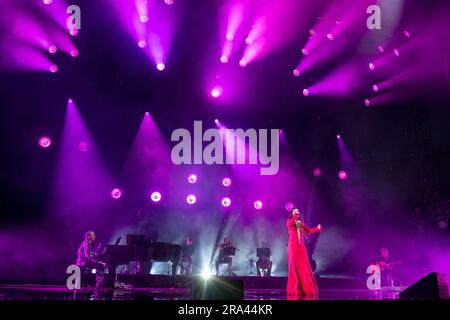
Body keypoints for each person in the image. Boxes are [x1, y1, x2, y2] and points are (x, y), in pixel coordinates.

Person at [286, 208, 322, 300]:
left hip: (301, 247)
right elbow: (289, 225)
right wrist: (294, 216)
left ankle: (305, 289)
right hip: (293, 246)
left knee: (304, 266)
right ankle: (294, 289)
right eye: (295, 211)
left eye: (298, 211)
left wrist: (317, 229)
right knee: (293, 267)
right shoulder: (289, 220)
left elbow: (308, 231)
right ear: (292, 213)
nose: (297, 212)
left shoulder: (301, 222)